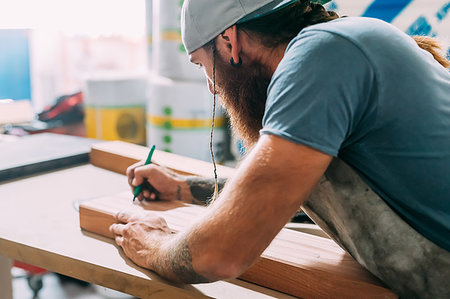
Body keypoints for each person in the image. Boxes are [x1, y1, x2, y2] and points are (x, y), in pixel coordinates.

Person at [109, 0, 450, 297]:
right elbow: (287, 186)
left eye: (203, 65)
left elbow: (220, 254)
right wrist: (184, 188)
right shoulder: (341, 43)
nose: (212, 88)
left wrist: (152, 244)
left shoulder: (320, 58)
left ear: (229, 40)